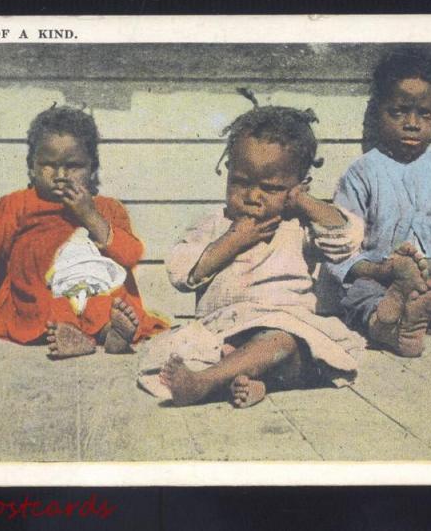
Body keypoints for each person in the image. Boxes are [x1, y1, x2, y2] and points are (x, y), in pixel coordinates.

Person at [138, 97, 365, 408]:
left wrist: (306, 204)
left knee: (280, 341)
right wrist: (232, 241)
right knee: (192, 351)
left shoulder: (298, 226)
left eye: (270, 188)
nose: (253, 196)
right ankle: (246, 379)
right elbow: (180, 272)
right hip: (223, 331)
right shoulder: (216, 226)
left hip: (284, 334)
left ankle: (206, 383)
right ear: (228, 171)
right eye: (241, 183)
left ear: (297, 187)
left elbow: (346, 239)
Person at [0, 106, 167, 358]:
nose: (61, 175)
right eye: (49, 165)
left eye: (73, 166)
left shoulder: (107, 208)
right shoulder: (14, 206)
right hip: (37, 297)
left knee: (105, 303)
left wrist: (89, 215)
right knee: (53, 305)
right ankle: (74, 336)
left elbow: (129, 255)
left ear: (92, 168)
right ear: (31, 167)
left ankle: (113, 334)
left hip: (94, 292)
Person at [327, 48, 431, 357]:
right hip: (379, 280)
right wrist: (390, 271)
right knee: (360, 293)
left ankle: (412, 315)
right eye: (399, 111)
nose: (412, 123)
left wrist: (422, 269)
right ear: (379, 111)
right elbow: (341, 254)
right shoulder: (362, 173)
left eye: (424, 114)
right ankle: (389, 320)